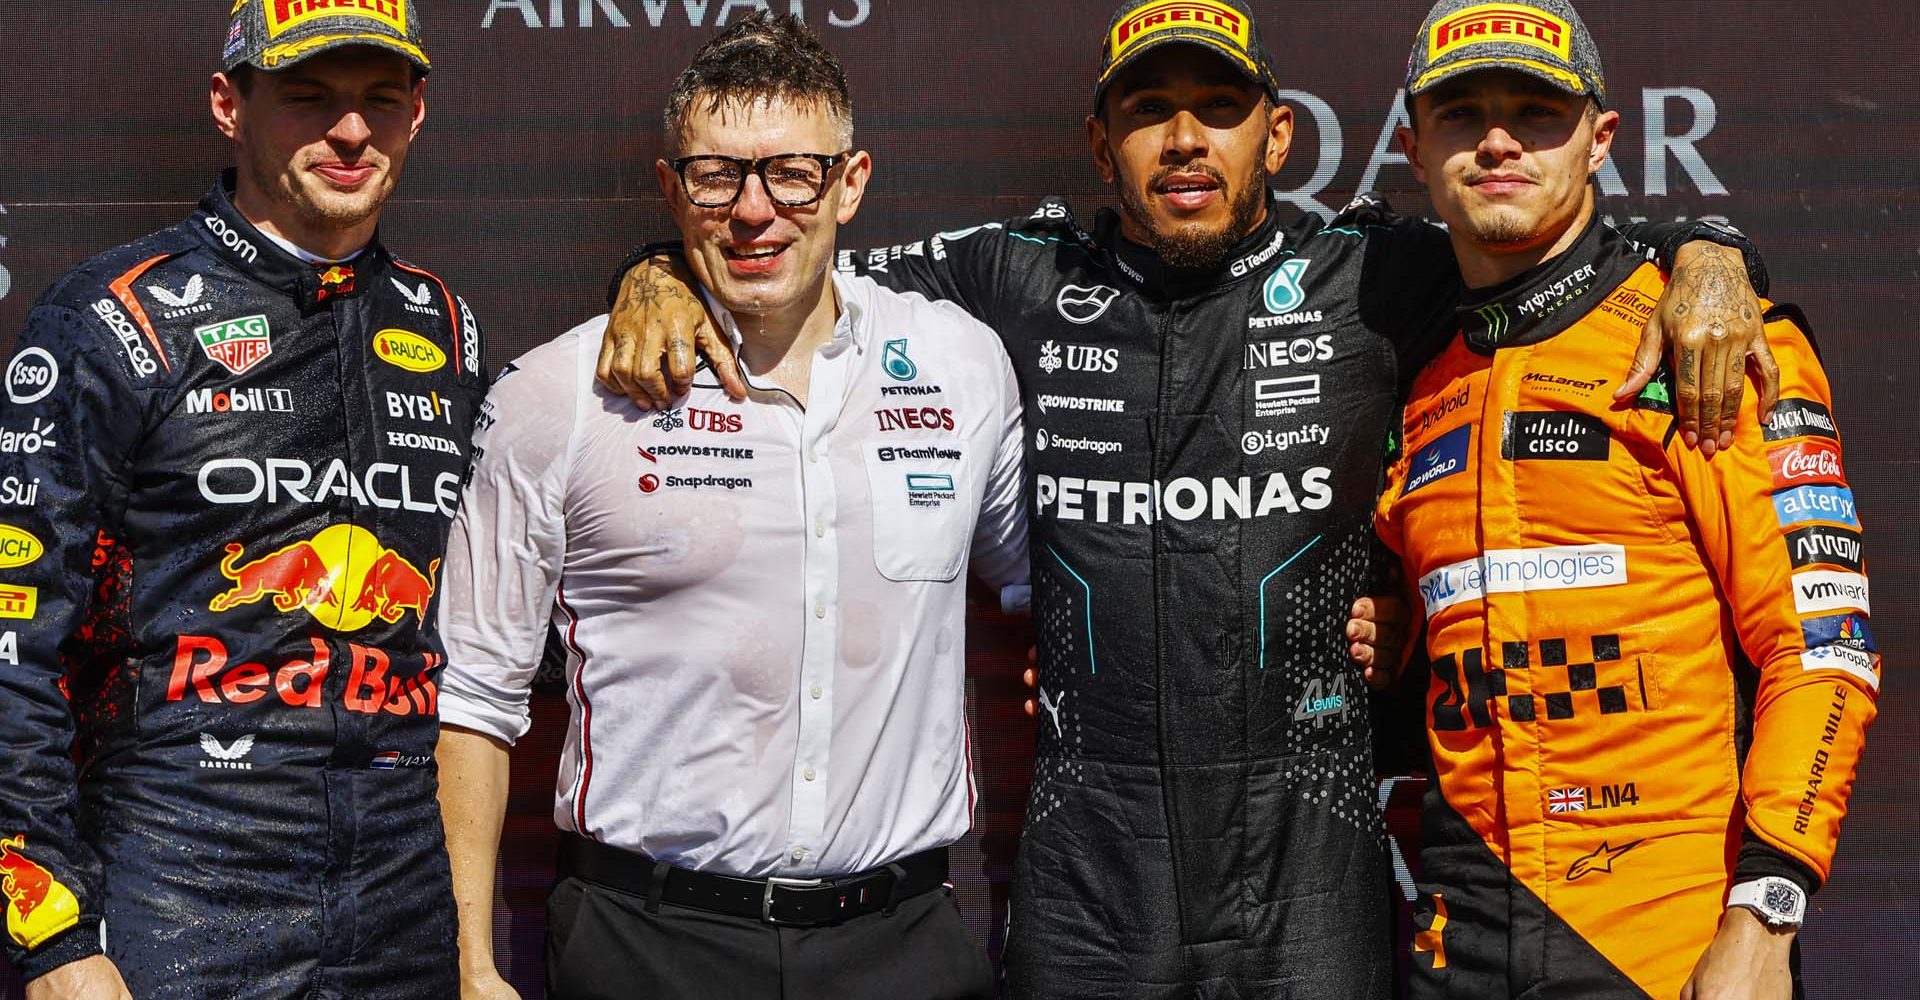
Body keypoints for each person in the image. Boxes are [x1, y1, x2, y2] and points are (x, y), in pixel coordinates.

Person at [595, 2, 1778, 995]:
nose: (1183, 140)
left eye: (1217, 110)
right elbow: (788, 257)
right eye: (1148, 113)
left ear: (1276, 136)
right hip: (1088, 872)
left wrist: (1715, 257)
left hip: (1310, 861)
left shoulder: (1371, 271)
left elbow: (1564, 258)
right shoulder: (1018, 273)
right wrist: (653, 271)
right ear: (1101, 145)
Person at [433, 15, 1024, 1000]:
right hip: (645, 943)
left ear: (852, 181)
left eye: (793, 173)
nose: (756, 211)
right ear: (671, 190)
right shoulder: (557, 393)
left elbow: (1039, 577)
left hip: (904, 943)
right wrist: (471, 965)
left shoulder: (963, 366)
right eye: (717, 176)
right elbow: (472, 697)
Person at [1374, 2, 1878, 998]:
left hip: (1666, 945)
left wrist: (1767, 913)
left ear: (1603, 138)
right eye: (1463, 113)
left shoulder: (1712, 342)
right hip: (1457, 942)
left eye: (1537, 111)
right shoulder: (1414, 367)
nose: (1500, 139)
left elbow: (1822, 651)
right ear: (1414, 146)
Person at [0, 2, 486, 998]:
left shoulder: (447, 326)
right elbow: (11, 643)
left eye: (377, 101)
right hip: (179, 884)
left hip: (402, 894)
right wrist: (49, 935)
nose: (349, 131)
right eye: (309, 99)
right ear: (230, 103)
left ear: (417, 114)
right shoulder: (113, 318)